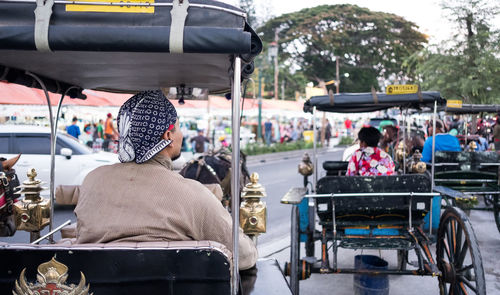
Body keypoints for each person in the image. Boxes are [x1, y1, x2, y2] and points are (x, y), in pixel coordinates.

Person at [74, 90, 257, 270]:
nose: (181, 135)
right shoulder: (192, 194)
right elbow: (244, 255)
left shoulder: (93, 180)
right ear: (168, 136)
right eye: (178, 127)